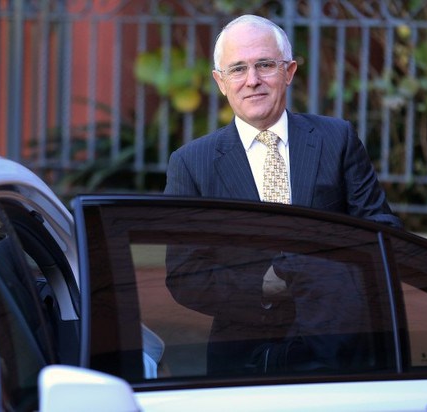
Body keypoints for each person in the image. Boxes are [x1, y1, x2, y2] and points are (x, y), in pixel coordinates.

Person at [164, 14, 400, 375]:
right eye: (238, 69)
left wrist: (327, 274)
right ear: (220, 82)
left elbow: (381, 229)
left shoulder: (336, 139)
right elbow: (185, 275)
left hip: (341, 351)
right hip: (243, 360)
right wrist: (262, 286)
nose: (253, 80)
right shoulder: (192, 163)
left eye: (265, 65)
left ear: (288, 72)